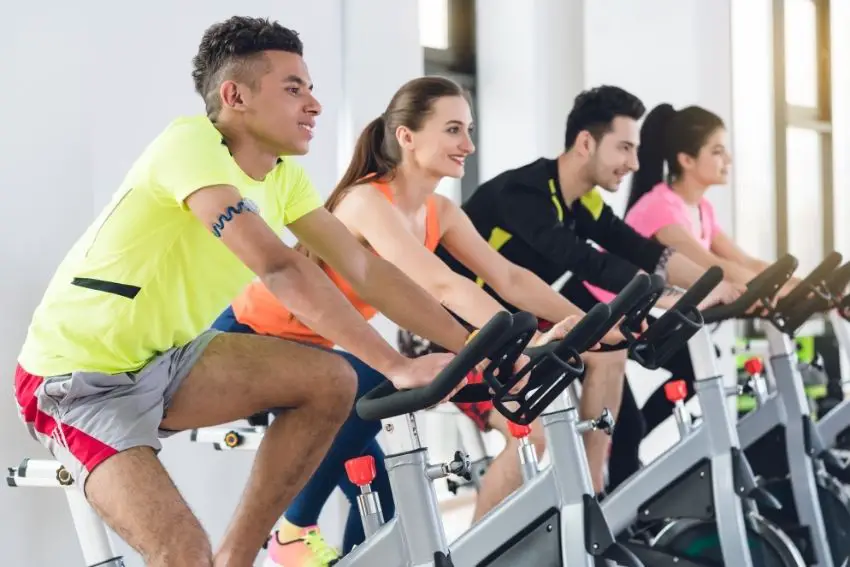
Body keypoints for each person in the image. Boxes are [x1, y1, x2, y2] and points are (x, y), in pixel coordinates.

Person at [11, 17, 487, 567]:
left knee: (333, 380)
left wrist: (475, 346)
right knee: (183, 552)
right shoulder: (188, 144)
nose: (314, 104)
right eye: (293, 88)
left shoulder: (282, 177)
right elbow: (279, 268)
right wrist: (396, 365)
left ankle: (239, 557)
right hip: (80, 382)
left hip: (168, 359)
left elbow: (364, 268)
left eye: (310, 88)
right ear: (235, 96)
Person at [212, 75, 621, 566]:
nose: (467, 144)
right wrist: (520, 342)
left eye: (468, 130)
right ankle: (293, 531)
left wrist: (584, 321)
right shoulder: (366, 201)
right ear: (407, 136)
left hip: (316, 351)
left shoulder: (440, 211)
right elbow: (441, 284)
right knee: (366, 381)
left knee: (385, 505)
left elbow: (509, 278)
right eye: (452, 130)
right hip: (250, 336)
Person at [403, 85, 745, 494]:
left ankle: (593, 494)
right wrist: (669, 297)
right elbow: (587, 262)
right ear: (586, 142)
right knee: (527, 435)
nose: (634, 163)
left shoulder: (583, 203)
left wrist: (720, 286)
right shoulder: (525, 193)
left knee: (608, 353)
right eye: (623, 148)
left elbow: (641, 251)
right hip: (446, 335)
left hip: (504, 328)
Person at [594, 103, 800, 471]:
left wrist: (807, 287)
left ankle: (624, 468)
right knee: (629, 428)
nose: (728, 159)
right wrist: (774, 289)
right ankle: (620, 483)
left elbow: (747, 263)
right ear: (686, 160)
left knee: (690, 375)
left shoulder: (700, 208)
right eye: (717, 151)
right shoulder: (660, 207)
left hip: (646, 315)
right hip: (605, 316)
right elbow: (713, 270)